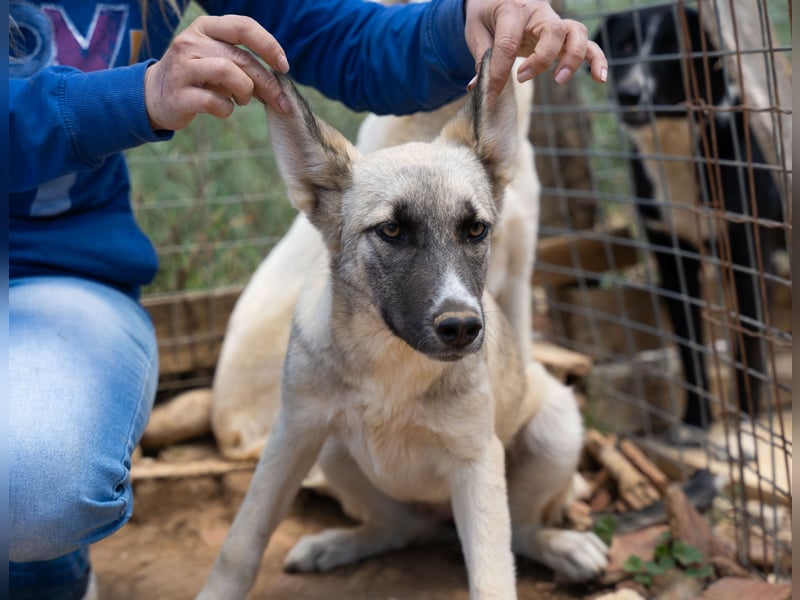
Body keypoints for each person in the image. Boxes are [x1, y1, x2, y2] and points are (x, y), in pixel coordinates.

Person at [8, 0, 607, 598]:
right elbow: (289, 448)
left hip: (59, 271)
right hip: (368, 432)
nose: (455, 301)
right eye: (392, 232)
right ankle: (389, 529)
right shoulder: (325, 276)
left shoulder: (481, 199)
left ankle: (528, 533)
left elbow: (337, 30)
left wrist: (458, 22)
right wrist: (129, 97)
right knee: (324, 440)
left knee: (35, 485)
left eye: (473, 230)